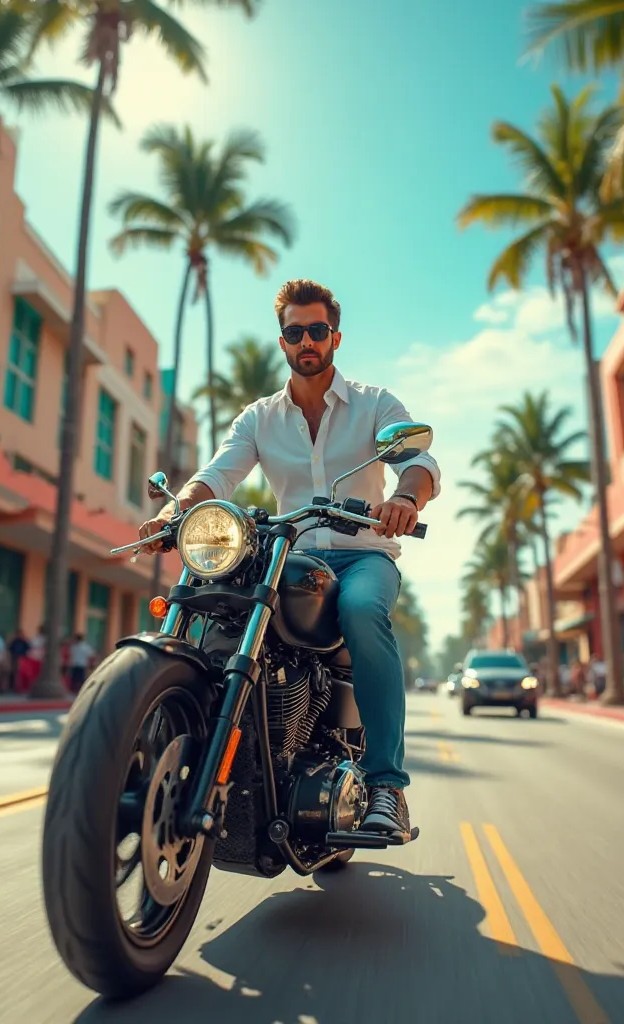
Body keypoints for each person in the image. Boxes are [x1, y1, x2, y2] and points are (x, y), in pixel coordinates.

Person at [139, 279, 441, 840]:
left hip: (361, 555)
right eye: (295, 331)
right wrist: (173, 514)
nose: (307, 340)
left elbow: (419, 462)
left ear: (335, 337)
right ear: (282, 341)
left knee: (361, 613)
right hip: (291, 559)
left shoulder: (375, 404)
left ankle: (386, 787)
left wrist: (405, 498)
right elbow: (218, 475)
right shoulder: (259, 418)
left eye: (317, 331)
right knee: (221, 602)